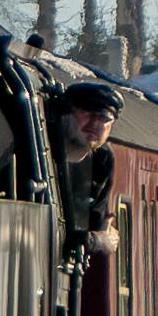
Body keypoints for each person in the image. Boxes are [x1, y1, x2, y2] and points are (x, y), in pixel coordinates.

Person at [55, 82, 122, 252]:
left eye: (104, 118)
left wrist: (94, 239)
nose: (95, 123)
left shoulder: (102, 161)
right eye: (87, 112)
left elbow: (95, 225)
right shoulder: (40, 147)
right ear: (67, 113)